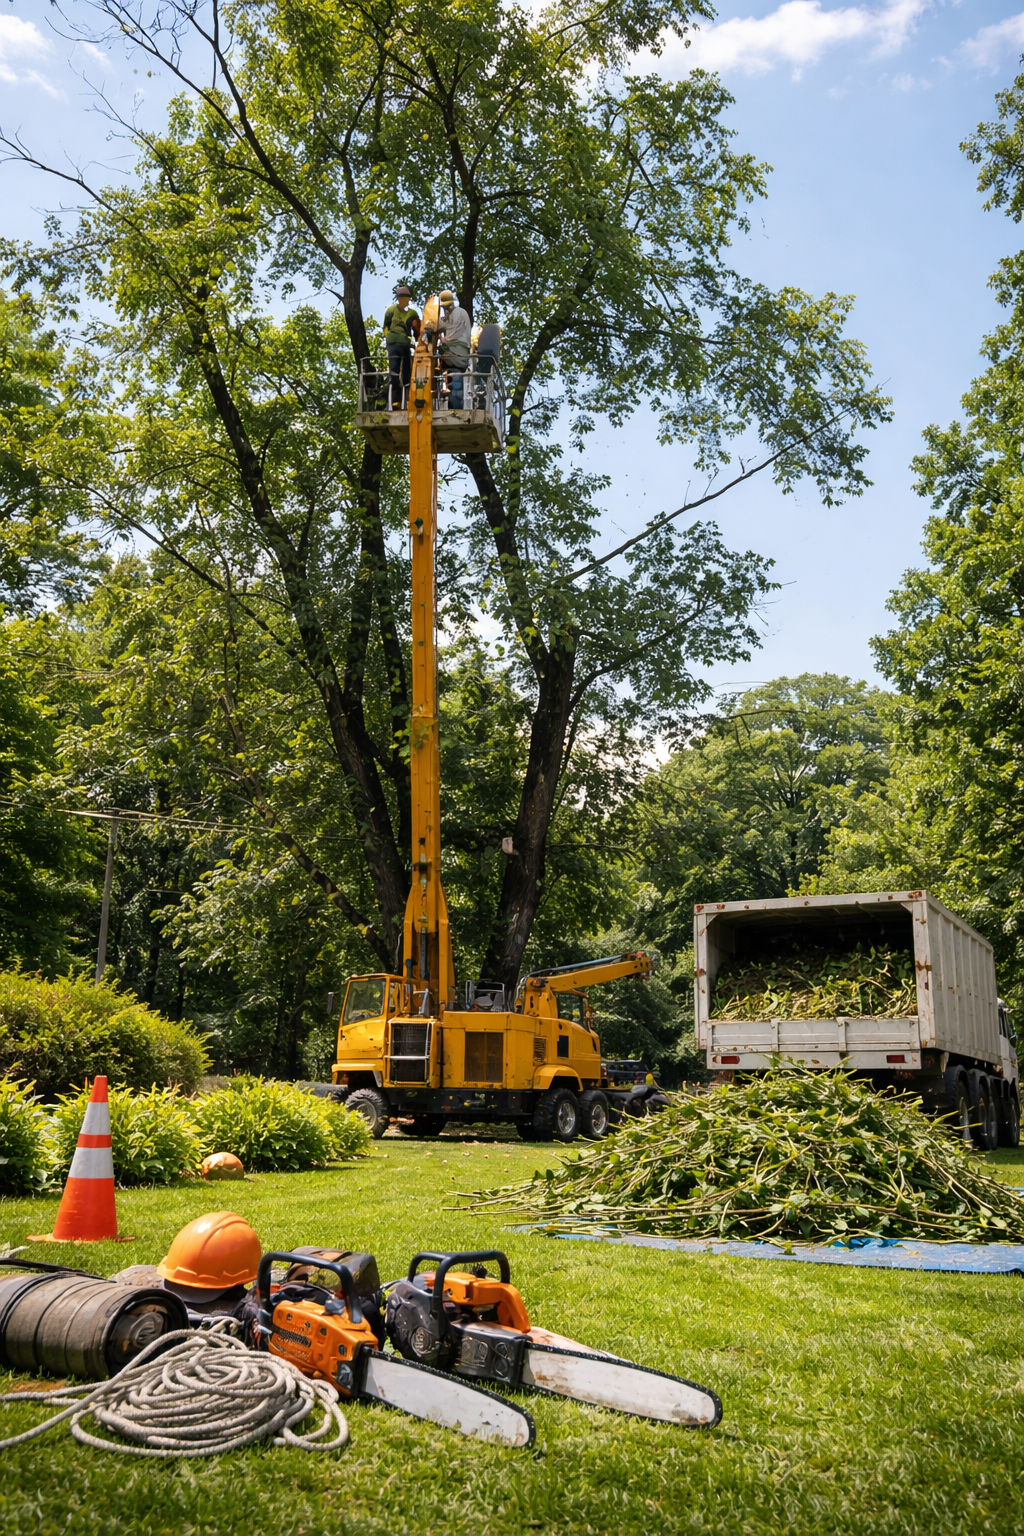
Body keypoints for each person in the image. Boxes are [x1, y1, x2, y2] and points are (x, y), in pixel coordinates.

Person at [383, 285, 420, 407]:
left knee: (404, 373)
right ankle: (396, 399)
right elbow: (386, 327)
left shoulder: (411, 313)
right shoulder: (391, 311)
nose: (405, 301)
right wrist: (388, 339)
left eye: (407, 299)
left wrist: (417, 341)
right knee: (395, 372)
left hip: (403, 345)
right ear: (399, 298)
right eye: (403, 298)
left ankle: (403, 399)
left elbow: (417, 330)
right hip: (395, 345)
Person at [438, 289, 471, 409]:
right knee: (455, 384)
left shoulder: (457, 314)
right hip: (459, 357)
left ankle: (455, 409)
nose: (445, 310)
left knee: (455, 386)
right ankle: (455, 407)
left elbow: (443, 327)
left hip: (455, 355)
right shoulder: (460, 312)